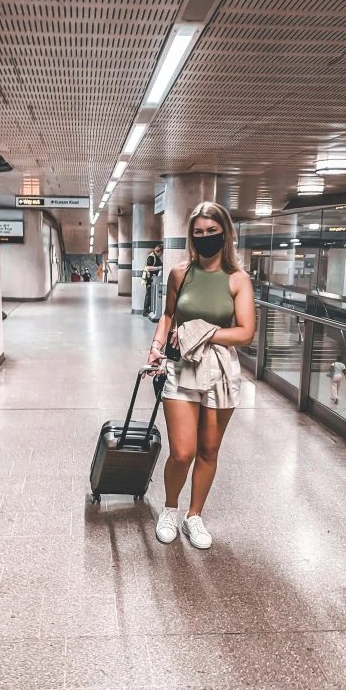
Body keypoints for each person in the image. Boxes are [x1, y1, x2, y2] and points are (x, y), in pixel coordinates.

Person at [146, 202, 256, 549]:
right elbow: (167, 316)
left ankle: (195, 515)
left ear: (225, 233)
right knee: (182, 451)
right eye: (199, 232)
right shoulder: (180, 273)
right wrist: (156, 344)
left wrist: (201, 330)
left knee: (209, 450)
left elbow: (245, 333)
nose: (206, 237)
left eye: (212, 231)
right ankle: (169, 509)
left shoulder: (238, 279)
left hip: (221, 371)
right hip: (182, 367)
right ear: (191, 236)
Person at [142, 244, 163, 316]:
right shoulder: (151, 257)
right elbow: (148, 268)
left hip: (153, 279)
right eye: (161, 253)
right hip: (149, 279)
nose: (161, 255)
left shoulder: (155, 257)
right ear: (159, 252)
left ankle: (149, 310)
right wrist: (159, 268)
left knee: (151, 295)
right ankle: (145, 311)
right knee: (148, 295)